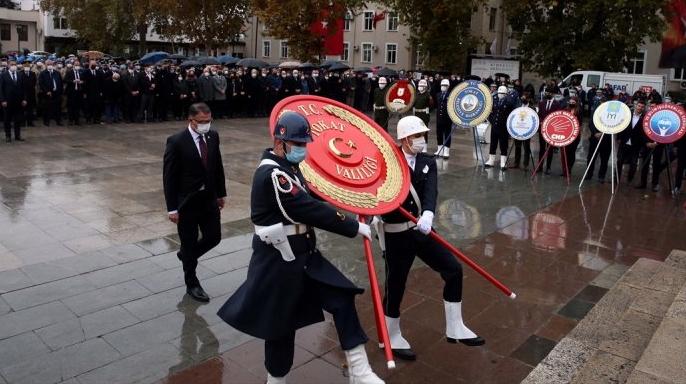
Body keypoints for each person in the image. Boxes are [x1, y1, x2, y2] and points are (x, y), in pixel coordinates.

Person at [217, 112, 383, 384]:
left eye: (305, 144)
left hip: (304, 257)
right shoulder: (272, 175)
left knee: (342, 299)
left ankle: (360, 371)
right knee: (280, 327)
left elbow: (318, 193)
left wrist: (358, 200)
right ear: (279, 141)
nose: (303, 149)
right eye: (298, 144)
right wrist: (353, 226)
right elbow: (306, 207)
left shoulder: (289, 169)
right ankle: (276, 381)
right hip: (279, 263)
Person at [379, 116, 484, 362]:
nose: (422, 140)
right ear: (404, 138)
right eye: (417, 136)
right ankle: (391, 335)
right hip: (396, 233)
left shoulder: (427, 161)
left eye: (423, 136)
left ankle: (455, 326)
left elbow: (430, 190)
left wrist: (428, 212)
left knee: (453, 269)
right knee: (396, 284)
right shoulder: (388, 161)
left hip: (422, 229)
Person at [163, 102, 226, 303]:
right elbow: (169, 177)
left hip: (208, 198)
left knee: (213, 237)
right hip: (187, 202)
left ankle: (187, 255)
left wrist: (220, 193)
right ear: (190, 121)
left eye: (209, 121)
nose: (206, 125)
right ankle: (192, 283)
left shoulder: (213, 136)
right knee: (189, 242)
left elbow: (217, 166)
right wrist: (172, 208)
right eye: (201, 122)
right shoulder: (176, 141)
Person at [617, 99, 647, 185]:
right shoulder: (627, 114)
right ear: (635, 106)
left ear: (644, 108)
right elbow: (621, 124)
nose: (640, 108)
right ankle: (616, 177)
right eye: (639, 106)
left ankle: (630, 180)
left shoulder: (645, 117)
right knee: (619, 160)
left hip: (636, 143)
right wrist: (619, 137)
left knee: (633, 163)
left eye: (642, 107)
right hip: (624, 141)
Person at [0, 59, 28, 142]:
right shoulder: (3, 75)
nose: (14, 66)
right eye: (12, 64)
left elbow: (24, 88)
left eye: (15, 64)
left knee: (18, 119)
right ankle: (8, 135)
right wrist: (3, 100)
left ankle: (17, 135)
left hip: (18, 101)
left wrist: (25, 99)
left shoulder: (20, 75)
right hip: (7, 101)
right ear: (8, 65)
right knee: (7, 119)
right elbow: (1, 89)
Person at [485, 86, 515, 169]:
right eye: (499, 93)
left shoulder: (509, 103)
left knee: (503, 144)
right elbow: (490, 112)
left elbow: (512, 115)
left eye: (502, 93)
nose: (500, 95)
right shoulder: (494, 100)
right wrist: (491, 120)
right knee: (493, 143)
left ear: (505, 94)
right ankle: (491, 160)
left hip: (503, 127)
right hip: (494, 125)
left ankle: (503, 162)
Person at [510, 94, 533, 169]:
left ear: (528, 99)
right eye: (522, 97)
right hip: (518, 129)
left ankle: (525, 164)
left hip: (527, 130)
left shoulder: (532, 108)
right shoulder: (518, 107)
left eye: (524, 97)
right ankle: (516, 163)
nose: (523, 99)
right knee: (517, 147)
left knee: (526, 148)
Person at [561, 96, 583, 176]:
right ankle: (565, 169)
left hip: (575, 136)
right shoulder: (565, 110)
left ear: (576, 103)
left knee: (571, 152)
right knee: (565, 153)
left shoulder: (579, 111)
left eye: (573, 103)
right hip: (566, 135)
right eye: (570, 102)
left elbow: (580, 124)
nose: (571, 104)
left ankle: (569, 169)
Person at [434, 78, 452, 158]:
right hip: (439, 118)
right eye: (442, 85)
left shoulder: (451, 95)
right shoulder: (438, 94)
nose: (443, 86)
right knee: (439, 134)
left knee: (447, 134)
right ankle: (439, 149)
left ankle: (446, 151)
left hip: (447, 118)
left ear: (448, 86)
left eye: (445, 85)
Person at [412, 79, 432, 143]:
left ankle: (424, 147)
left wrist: (428, 111)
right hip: (417, 114)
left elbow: (431, 105)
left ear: (425, 87)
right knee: (416, 131)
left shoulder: (428, 95)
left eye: (421, 86)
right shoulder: (417, 94)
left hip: (424, 115)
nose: (419, 87)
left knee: (424, 131)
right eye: (419, 85)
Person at [66, 60, 85, 125]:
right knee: (71, 106)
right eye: (76, 65)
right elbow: (66, 80)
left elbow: (84, 80)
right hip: (72, 92)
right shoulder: (69, 72)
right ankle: (71, 120)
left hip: (79, 92)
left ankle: (77, 120)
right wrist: (73, 81)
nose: (77, 66)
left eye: (78, 65)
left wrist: (82, 82)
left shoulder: (81, 72)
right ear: (73, 65)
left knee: (78, 107)